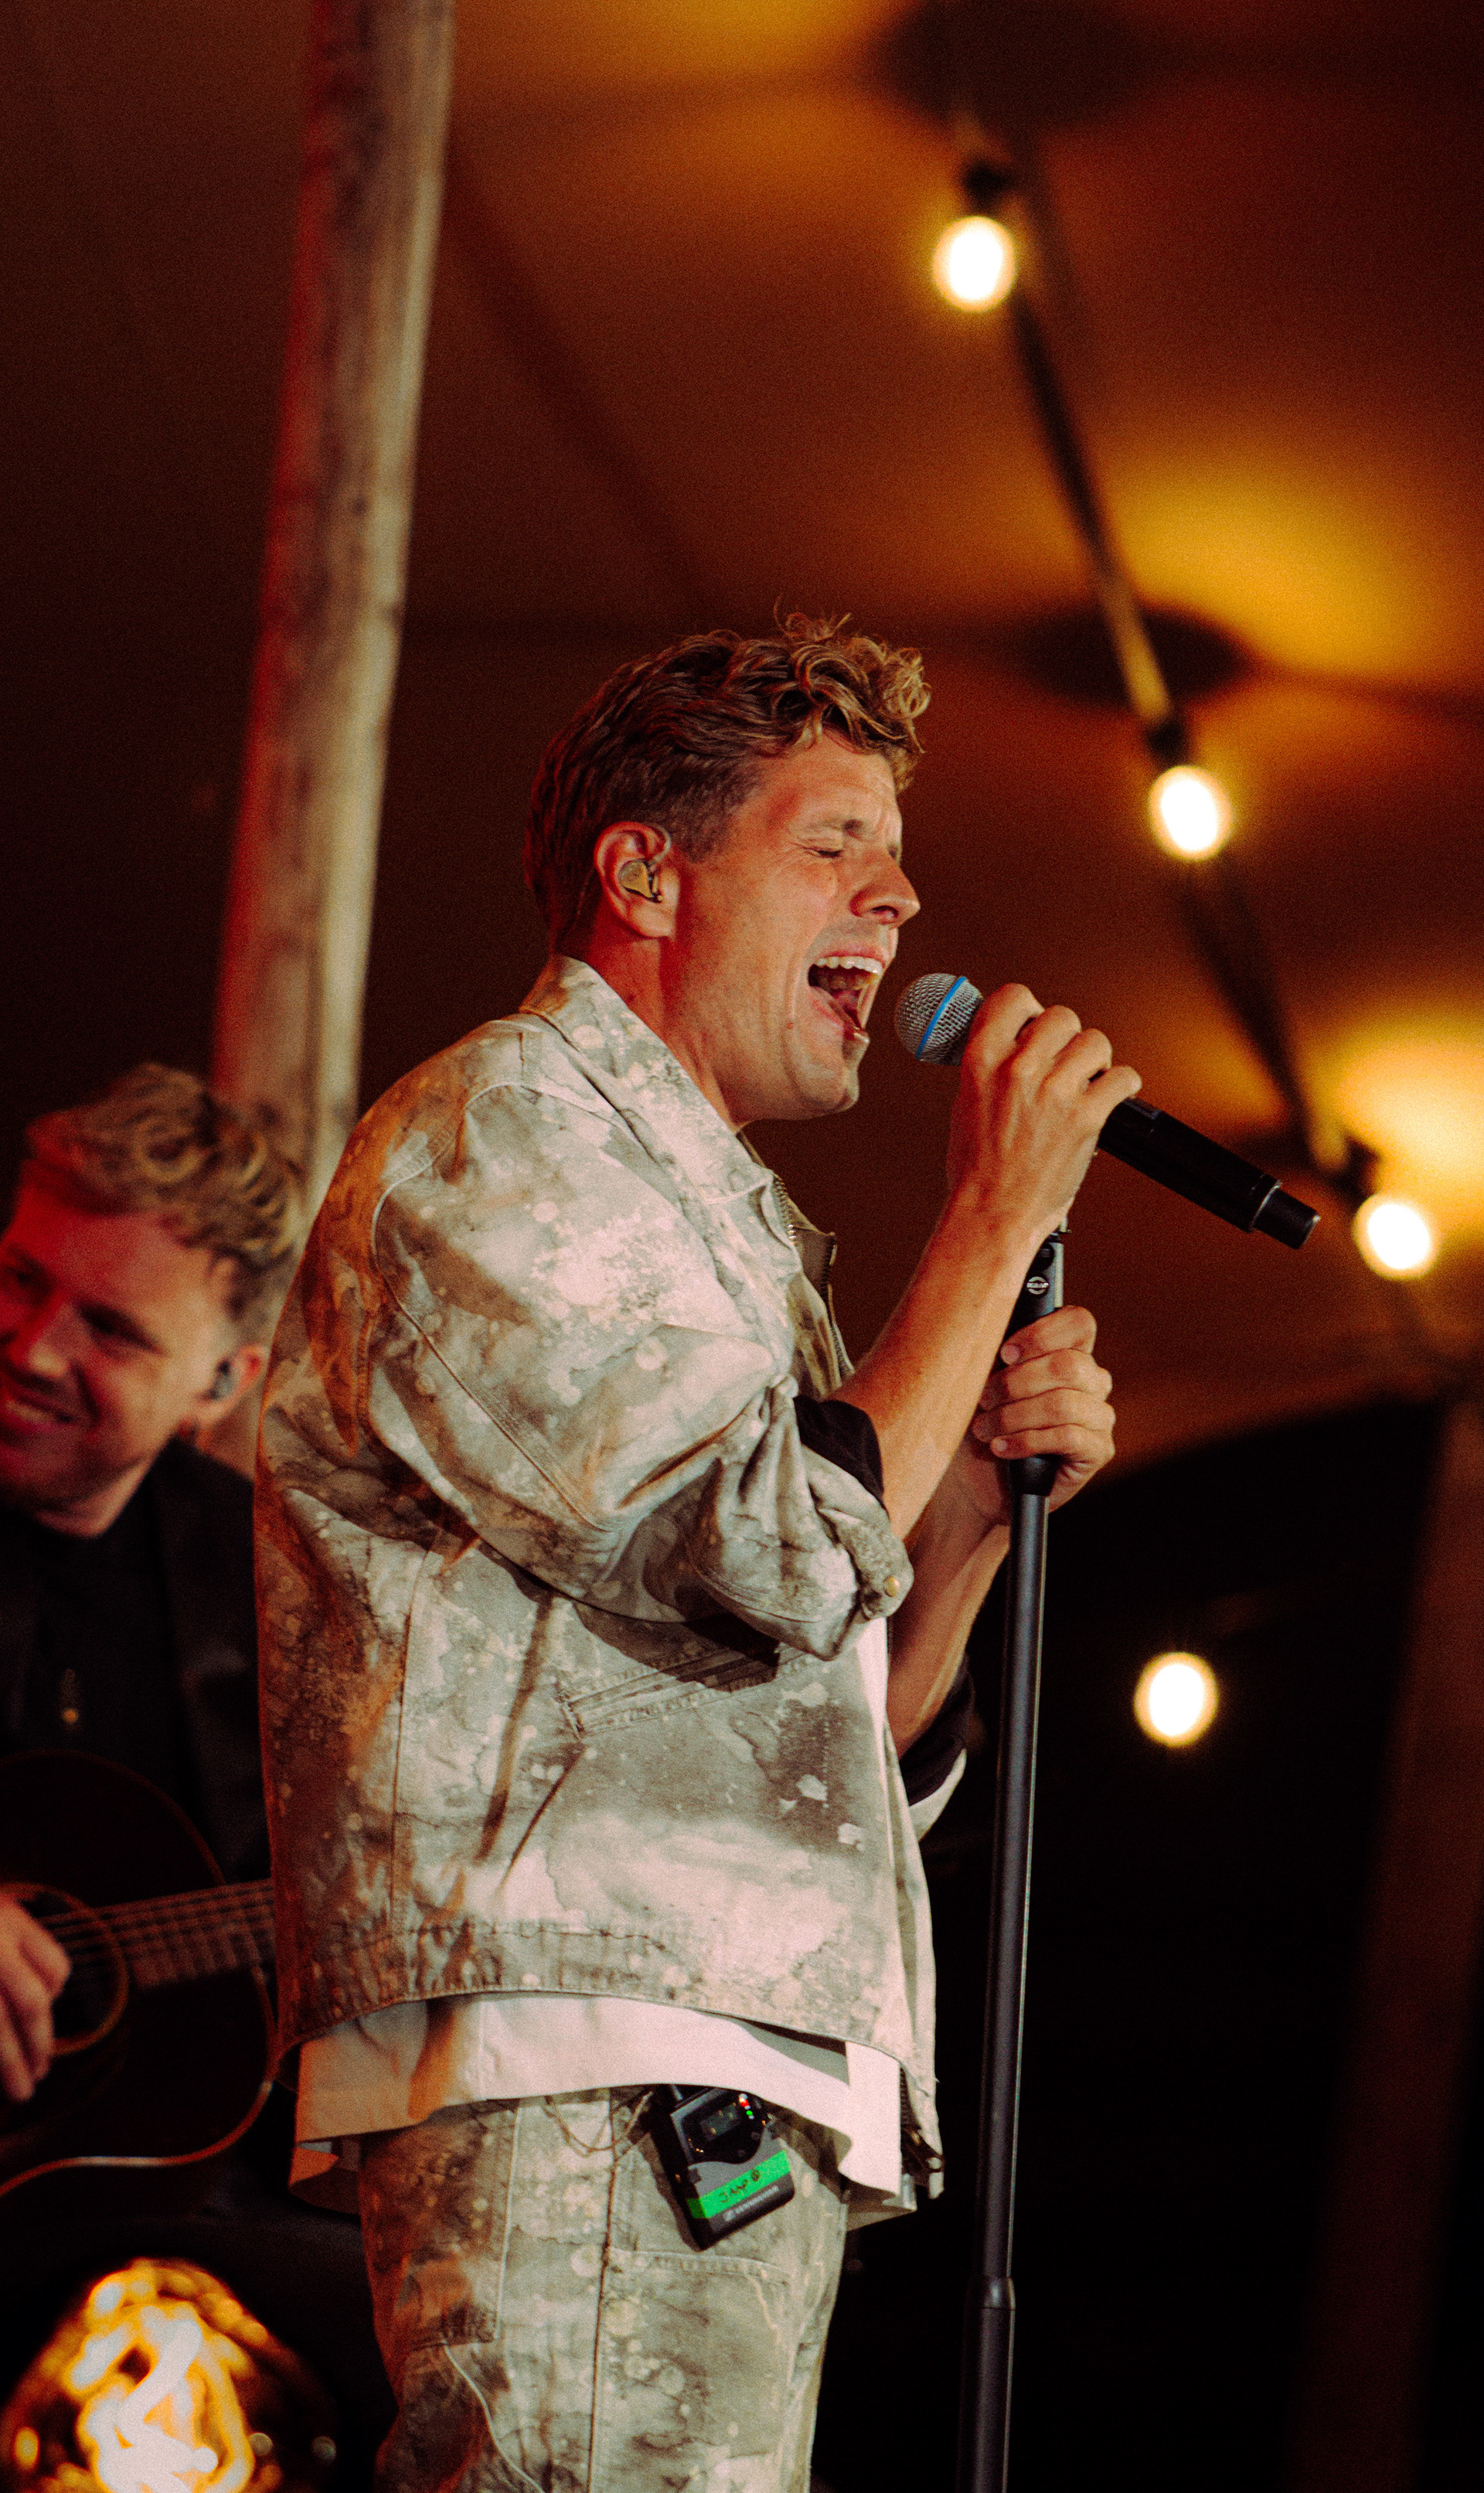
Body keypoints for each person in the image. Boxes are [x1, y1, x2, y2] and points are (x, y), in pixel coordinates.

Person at [256, 618, 1139, 2492]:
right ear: (645, 872)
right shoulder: (503, 1128)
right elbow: (769, 1547)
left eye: (894, 852)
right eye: (834, 843)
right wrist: (990, 1222)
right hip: (588, 2055)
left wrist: (973, 1498)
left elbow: (845, 1706)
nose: (899, 896)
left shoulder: (732, 1233)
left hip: (719, 2055)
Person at [0, 1063, 300, 2100]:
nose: (35, 1350)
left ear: (222, 1382)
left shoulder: (272, 1585)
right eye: (21, 1278)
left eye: (112, 1328)